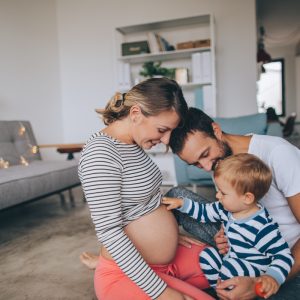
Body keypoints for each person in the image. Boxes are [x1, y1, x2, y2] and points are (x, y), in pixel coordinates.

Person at [78, 78, 214, 300]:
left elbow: (142, 203)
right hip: (126, 273)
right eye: (162, 130)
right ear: (135, 114)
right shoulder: (100, 155)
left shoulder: (132, 142)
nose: (167, 140)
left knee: (229, 269)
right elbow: (110, 233)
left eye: (170, 131)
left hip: (161, 260)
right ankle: (105, 270)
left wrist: (167, 235)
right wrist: (162, 292)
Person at [166, 107, 300, 300]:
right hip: (242, 246)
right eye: (195, 164)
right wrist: (225, 231)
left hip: (284, 260)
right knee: (176, 196)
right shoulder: (219, 164)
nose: (205, 167)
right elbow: (230, 208)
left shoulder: (278, 153)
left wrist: (262, 282)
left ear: (216, 130)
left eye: (204, 154)